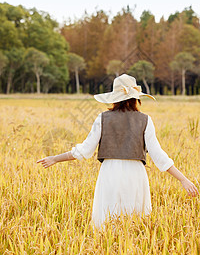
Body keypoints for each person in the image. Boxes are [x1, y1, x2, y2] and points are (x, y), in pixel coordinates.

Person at [37, 74, 199, 228]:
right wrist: (183, 179)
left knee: (107, 224)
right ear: (136, 98)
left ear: (114, 98)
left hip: (110, 175)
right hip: (135, 176)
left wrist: (55, 158)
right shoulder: (145, 120)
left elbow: (84, 151)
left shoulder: (102, 118)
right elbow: (159, 156)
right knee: (134, 227)